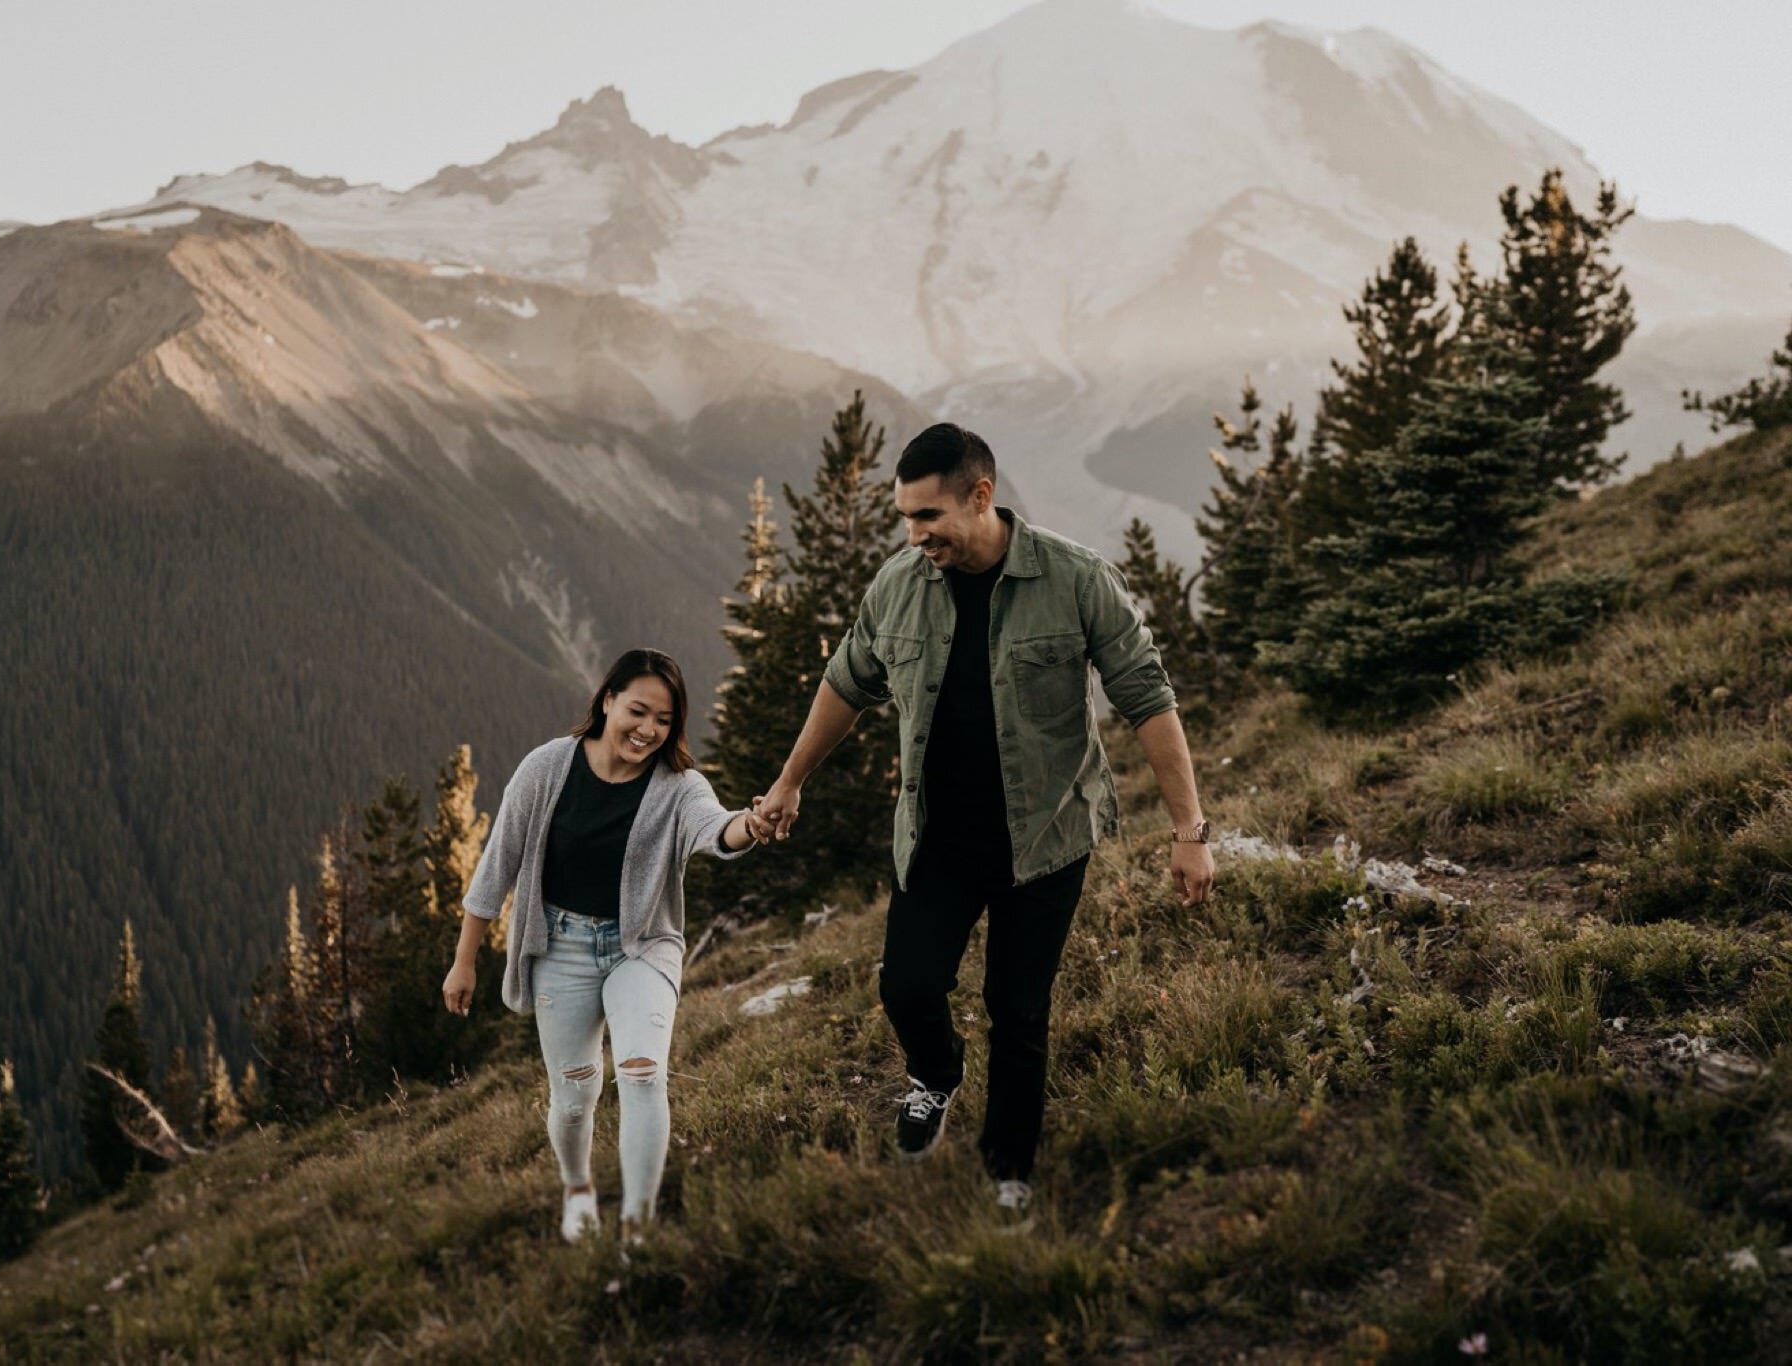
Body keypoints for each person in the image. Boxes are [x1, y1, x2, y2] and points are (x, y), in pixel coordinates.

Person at [751, 423, 1215, 1225]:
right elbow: (845, 683)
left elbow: (1147, 697)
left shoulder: (1074, 579)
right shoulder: (898, 585)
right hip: (937, 837)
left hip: (1045, 838)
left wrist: (1190, 831)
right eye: (904, 517)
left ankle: (1008, 1170)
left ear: (980, 496)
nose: (915, 533)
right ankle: (935, 1074)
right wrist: (791, 781)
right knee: (906, 987)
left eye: (929, 515)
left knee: (1018, 1008)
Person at [442, 648, 766, 1242]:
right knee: (574, 1095)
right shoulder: (547, 768)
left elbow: (716, 830)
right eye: (638, 711)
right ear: (607, 700)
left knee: (642, 1072)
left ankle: (636, 1233)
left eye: (663, 721)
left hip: (641, 946)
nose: (648, 730)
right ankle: (577, 1187)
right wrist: (464, 962)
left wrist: (753, 822)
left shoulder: (678, 787)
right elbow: (495, 870)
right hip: (558, 947)